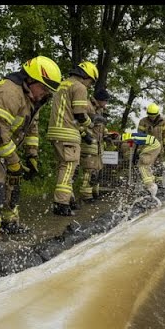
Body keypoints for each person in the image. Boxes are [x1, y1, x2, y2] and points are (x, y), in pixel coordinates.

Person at [0, 55, 62, 254]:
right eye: (43, 88)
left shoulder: (33, 99)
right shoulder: (9, 92)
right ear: (30, 80)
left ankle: (9, 222)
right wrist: (14, 161)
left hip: (3, 141)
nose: (45, 94)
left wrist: (32, 156)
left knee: (14, 182)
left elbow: (31, 129)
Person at [47, 61, 98, 216]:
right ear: (87, 76)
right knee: (69, 167)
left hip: (55, 132)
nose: (89, 85)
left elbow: (67, 113)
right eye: (91, 81)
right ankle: (61, 204)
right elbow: (79, 114)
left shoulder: (62, 85)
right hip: (67, 133)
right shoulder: (79, 87)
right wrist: (91, 124)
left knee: (64, 167)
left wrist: (83, 132)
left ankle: (69, 199)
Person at [79, 88, 110, 201]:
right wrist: (84, 134)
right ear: (100, 100)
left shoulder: (99, 110)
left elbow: (101, 127)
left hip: (98, 145)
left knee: (97, 170)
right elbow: (78, 120)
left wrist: (107, 135)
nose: (106, 104)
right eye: (106, 101)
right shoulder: (87, 106)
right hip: (88, 143)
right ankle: (86, 195)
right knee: (89, 170)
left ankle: (94, 192)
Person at [137, 103, 165, 184]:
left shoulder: (163, 122)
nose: (152, 117)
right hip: (147, 148)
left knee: (159, 166)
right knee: (146, 165)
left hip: (159, 149)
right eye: (150, 115)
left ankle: (159, 184)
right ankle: (149, 185)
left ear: (157, 113)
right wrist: (139, 148)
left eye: (153, 115)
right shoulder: (143, 121)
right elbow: (140, 135)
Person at [121, 131, 161, 197]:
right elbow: (136, 148)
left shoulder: (129, 139)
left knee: (142, 165)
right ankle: (151, 184)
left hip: (153, 145)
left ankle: (150, 186)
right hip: (155, 145)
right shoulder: (130, 136)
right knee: (145, 165)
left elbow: (131, 150)